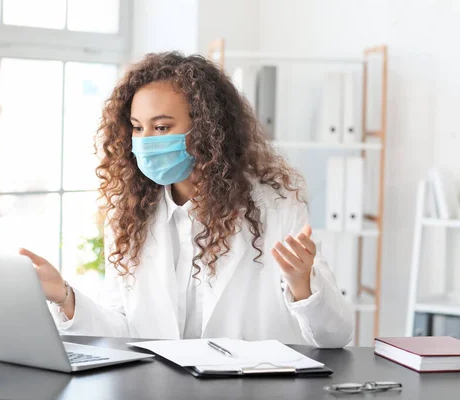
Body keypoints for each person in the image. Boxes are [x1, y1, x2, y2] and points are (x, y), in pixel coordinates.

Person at [20, 52, 353, 348]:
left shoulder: (276, 207)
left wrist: (303, 288)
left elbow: (335, 337)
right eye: (137, 128)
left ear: (208, 130)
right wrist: (64, 296)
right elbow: (123, 329)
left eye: (162, 128)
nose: (146, 142)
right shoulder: (128, 217)